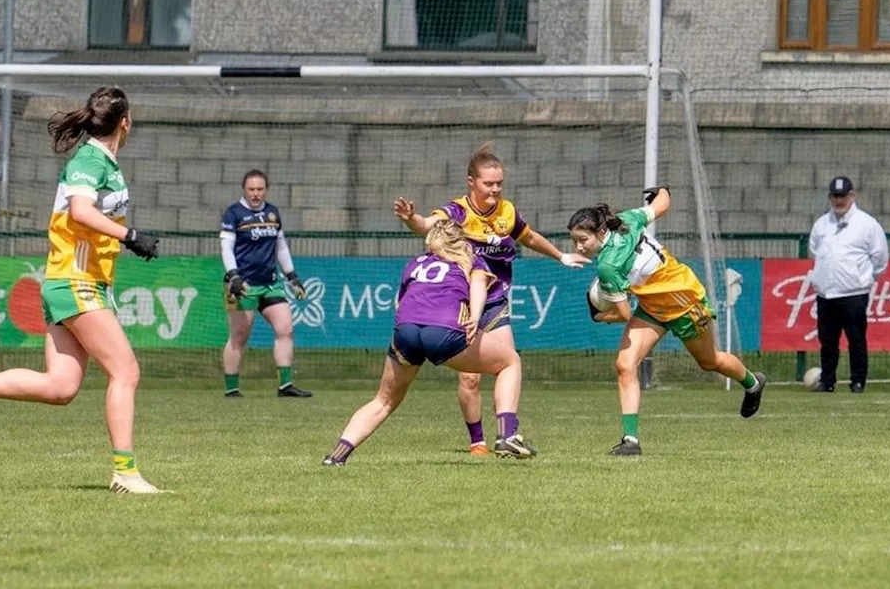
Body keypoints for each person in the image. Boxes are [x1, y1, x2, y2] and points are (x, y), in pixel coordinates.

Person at [0, 86, 165, 495]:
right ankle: (125, 473)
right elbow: (80, 211)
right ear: (126, 121)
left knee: (60, 387)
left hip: (80, 282)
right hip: (75, 282)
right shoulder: (90, 159)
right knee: (125, 371)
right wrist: (130, 235)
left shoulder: (103, 160)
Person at [393, 142, 586, 455]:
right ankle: (478, 442)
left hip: (494, 299)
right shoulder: (457, 211)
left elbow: (530, 237)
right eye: (488, 184)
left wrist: (560, 256)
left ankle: (507, 437)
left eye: (499, 183)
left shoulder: (506, 212)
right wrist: (410, 218)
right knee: (469, 378)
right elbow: (427, 226)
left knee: (506, 364)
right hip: (461, 303)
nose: (495, 190)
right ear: (472, 183)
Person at [567, 187, 767, 456]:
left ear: (601, 233)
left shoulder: (607, 267)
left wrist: (600, 315)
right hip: (652, 307)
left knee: (710, 362)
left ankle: (753, 383)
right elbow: (662, 204)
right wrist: (662, 190)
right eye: (575, 241)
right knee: (625, 364)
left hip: (684, 302)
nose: (579, 247)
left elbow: (623, 314)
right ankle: (630, 441)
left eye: (583, 240)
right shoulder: (627, 219)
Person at [322, 220, 535, 465]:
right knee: (510, 362)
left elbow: (399, 303)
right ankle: (507, 435)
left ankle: (336, 456)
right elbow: (479, 289)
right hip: (444, 331)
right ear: (461, 241)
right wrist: (474, 319)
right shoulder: (471, 260)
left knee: (383, 400)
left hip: (406, 331)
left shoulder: (414, 263)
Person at [219, 169, 312, 398]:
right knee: (239, 336)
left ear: (265, 190)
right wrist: (234, 276)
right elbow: (226, 248)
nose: (255, 194)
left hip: (271, 283)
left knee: (285, 328)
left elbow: (281, 247)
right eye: (251, 189)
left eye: (260, 189)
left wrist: (292, 277)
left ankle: (285, 386)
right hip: (243, 285)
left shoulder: (272, 213)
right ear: (244, 189)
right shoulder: (234, 213)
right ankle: (232, 389)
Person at [807, 176, 888, 394]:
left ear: (852, 196)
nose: (839, 200)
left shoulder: (867, 224)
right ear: (830, 197)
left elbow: (879, 258)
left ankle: (858, 381)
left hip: (854, 293)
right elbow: (815, 250)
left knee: (856, 339)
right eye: (835, 196)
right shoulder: (822, 224)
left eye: (843, 196)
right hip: (826, 293)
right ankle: (827, 381)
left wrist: (865, 280)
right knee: (827, 341)